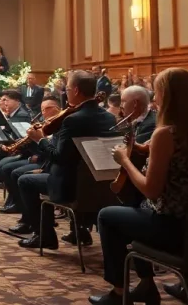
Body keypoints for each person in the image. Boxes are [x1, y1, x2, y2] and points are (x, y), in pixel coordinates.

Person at [87, 68, 188, 305]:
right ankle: (175, 284)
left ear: (168, 96)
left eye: (157, 92)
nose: (154, 98)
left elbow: (151, 190)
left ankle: (120, 293)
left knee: (108, 216)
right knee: (135, 207)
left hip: (172, 227)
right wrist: (144, 150)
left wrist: (125, 161)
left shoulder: (166, 134)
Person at [18, 70, 116, 250]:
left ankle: (44, 236)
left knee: (25, 180)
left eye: (68, 89)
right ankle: (80, 231)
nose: (66, 92)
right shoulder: (109, 116)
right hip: (100, 184)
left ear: (76, 90)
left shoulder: (72, 120)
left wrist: (39, 139)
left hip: (71, 187)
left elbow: (59, 157)